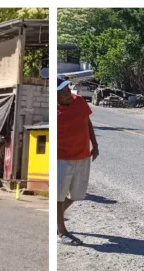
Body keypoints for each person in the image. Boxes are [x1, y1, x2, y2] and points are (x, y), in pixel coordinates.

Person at [57, 76, 98, 246]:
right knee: (58, 196)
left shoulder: (80, 101)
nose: (67, 94)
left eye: (67, 89)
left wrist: (94, 145)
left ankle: (54, 218)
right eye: (62, 92)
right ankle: (62, 231)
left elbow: (87, 122)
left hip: (82, 155)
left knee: (77, 194)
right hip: (61, 159)